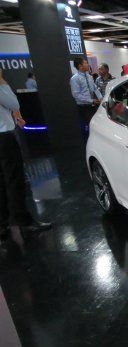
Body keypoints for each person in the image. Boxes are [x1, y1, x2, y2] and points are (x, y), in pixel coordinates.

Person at [0, 68, 51, 243]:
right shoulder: (0, 85)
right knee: (14, 180)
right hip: (4, 139)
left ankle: (3, 224)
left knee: (1, 182)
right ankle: (23, 222)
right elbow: (14, 104)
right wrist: (3, 82)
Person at [70, 58, 101, 140]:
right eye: (86, 63)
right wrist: (91, 100)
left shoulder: (89, 77)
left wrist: (101, 98)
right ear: (80, 66)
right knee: (86, 128)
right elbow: (76, 95)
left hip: (92, 106)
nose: (88, 65)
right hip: (83, 107)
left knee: (95, 126)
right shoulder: (74, 79)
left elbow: (95, 89)